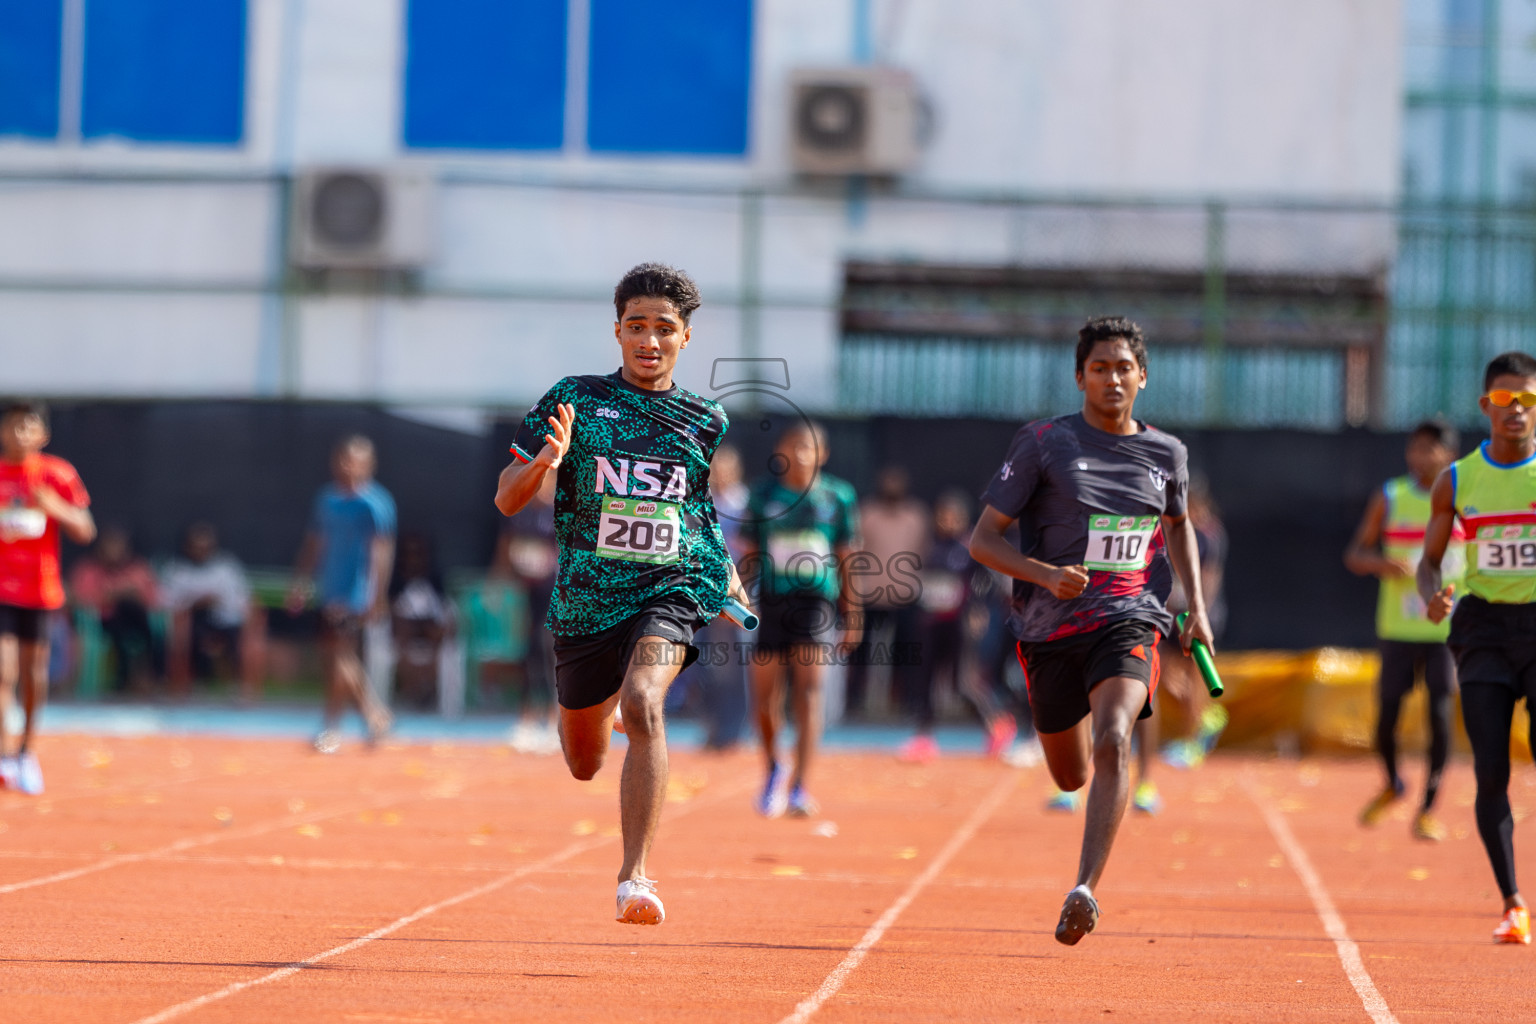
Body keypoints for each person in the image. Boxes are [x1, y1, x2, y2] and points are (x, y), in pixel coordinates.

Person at [493, 263, 753, 926]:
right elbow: (504, 498)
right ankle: (598, 704)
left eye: (664, 328)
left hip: (668, 588)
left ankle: (636, 876)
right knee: (583, 762)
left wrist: (723, 571)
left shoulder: (705, 419)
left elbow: (695, 513)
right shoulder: (573, 399)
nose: (650, 339)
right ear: (617, 331)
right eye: (637, 326)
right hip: (585, 600)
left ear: (685, 338)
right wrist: (542, 464)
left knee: (645, 704)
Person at [968, 316, 1212, 946]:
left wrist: (1197, 608)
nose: (1112, 378)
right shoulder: (1044, 443)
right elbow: (984, 540)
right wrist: (1045, 575)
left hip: (1130, 617)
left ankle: (1084, 888)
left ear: (1143, 377)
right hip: (1048, 630)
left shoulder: (1167, 454)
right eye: (1099, 367)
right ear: (1080, 376)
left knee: (1114, 739)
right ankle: (1078, 785)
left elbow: (1180, 525)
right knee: (1071, 775)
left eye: (1124, 367)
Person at [1419, 350, 1536, 946]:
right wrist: (1432, 596)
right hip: (1484, 629)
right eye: (1504, 399)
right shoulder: (1458, 480)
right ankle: (1513, 902)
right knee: (1492, 770)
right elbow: (1428, 563)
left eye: (1528, 399)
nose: (1515, 409)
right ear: (1486, 404)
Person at [1345, 419, 1462, 840]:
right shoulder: (1390, 496)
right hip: (1397, 627)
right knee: (1387, 717)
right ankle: (1393, 781)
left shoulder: (1464, 496)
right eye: (1414, 448)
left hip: (1444, 631)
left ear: (1448, 454)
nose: (1419, 457)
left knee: (1440, 712)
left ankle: (1429, 807)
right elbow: (1355, 553)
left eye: (1429, 449)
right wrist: (1381, 564)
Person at [740, 422, 861, 817]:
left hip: (816, 603)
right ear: (782, 451)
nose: (802, 454)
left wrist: (853, 612)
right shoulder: (763, 494)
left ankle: (800, 788)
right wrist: (738, 599)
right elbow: (748, 553)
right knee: (764, 697)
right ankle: (775, 766)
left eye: (809, 447)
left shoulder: (838, 496)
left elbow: (846, 557)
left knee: (809, 694)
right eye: (794, 446)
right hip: (772, 600)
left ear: (822, 454)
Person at [0, 401, 95, 794]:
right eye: (13, 426)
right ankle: (4, 754)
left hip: (40, 589)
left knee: (33, 674)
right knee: (2, 671)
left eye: (29, 427)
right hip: (2, 588)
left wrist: (54, 507)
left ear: (43, 435)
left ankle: (27, 752)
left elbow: (86, 530)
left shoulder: (56, 474)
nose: (20, 434)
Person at [287, 435, 397, 753]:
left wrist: (377, 595)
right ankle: (373, 716)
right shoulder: (327, 500)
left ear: (369, 465)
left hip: (356, 591)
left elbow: (382, 551)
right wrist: (301, 580)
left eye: (355, 460)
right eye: (343, 459)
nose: (347, 466)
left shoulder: (375, 503)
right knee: (336, 657)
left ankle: (337, 725)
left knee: (340, 655)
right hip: (329, 587)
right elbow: (314, 542)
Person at [904, 490, 1015, 762]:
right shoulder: (929, 547)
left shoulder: (970, 548)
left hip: (959, 625)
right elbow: (920, 581)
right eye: (942, 516)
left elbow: (991, 580)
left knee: (962, 684)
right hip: (931, 624)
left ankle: (997, 723)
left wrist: (977, 607)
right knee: (925, 681)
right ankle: (923, 737)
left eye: (953, 517)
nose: (947, 521)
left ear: (964, 520)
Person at [845, 465, 927, 720]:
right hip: (870, 595)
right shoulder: (866, 514)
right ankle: (854, 702)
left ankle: (907, 702)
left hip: (904, 596)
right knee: (861, 651)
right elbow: (854, 553)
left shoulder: (916, 516)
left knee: (907, 653)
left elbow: (923, 553)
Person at [161, 521, 266, 702]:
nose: (202, 551)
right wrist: (196, 603)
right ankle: (196, 683)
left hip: (226, 621)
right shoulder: (177, 571)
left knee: (236, 635)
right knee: (194, 632)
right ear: (188, 546)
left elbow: (242, 599)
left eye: (206, 547)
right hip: (192, 621)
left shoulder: (226, 569)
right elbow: (167, 603)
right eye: (197, 547)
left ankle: (239, 687)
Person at [691, 443, 750, 751]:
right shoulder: (700, 502)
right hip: (700, 596)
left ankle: (732, 730)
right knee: (705, 665)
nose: (719, 474)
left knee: (729, 668)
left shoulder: (746, 506)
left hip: (733, 599)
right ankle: (713, 727)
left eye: (726, 469)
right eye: (715, 469)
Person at [68, 524, 162, 695]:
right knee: (122, 626)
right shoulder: (88, 570)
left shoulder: (137, 569)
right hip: (100, 624)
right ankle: (125, 679)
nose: (114, 551)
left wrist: (130, 593)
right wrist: (109, 596)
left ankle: (149, 675)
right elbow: (80, 599)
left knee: (132, 613)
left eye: (119, 546)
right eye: (110, 546)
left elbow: (153, 598)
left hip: (135, 622)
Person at [389, 532, 454, 711]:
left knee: (441, 633)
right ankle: (411, 688)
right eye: (409, 553)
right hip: (404, 628)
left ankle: (429, 687)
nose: (413, 558)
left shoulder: (434, 579)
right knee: (402, 636)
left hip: (429, 626)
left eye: (418, 553)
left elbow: (445, 607)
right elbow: (390, 609)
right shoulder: (395, 581)